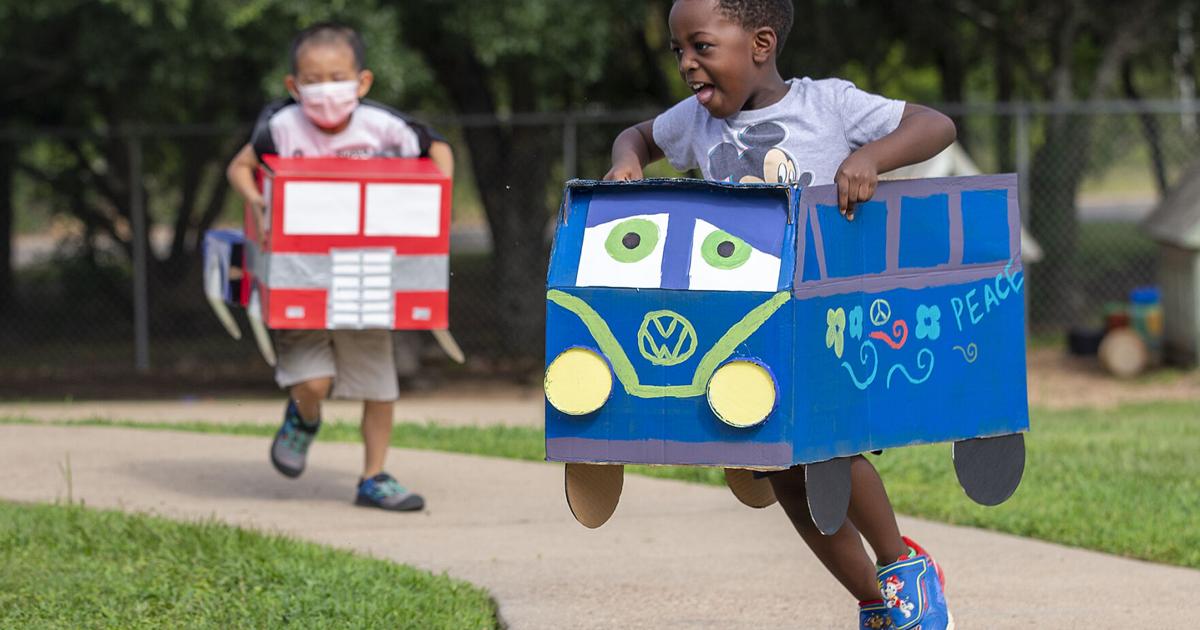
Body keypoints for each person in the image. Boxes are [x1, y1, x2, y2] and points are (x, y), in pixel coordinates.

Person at [604, 1, 957, 627]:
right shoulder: (693, 123)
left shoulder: (829, 106)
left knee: (828, 447)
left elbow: (934, 124)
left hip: (818, 320)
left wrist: (871, 157)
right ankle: (876, 604)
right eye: (677, 51)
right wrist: (628, 161)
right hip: (738, 330)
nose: (686, 63)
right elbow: (637, 136)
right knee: (786, 477)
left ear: (760, 42)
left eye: (701, 47)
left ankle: (904, 568)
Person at [226, 22, 454, 512]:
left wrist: (434, 210)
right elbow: (240, 168)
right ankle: (304, 417)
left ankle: (374, 477)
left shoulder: (382, 127)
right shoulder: (283, 128)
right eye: (312, 77)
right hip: (300, 280)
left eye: (336, 75)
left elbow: (439, 153)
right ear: (294, 85)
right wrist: (259, 204)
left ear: (362, 81)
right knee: (312, 383)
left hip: (368, 280)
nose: (325, 87)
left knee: (379, 385)